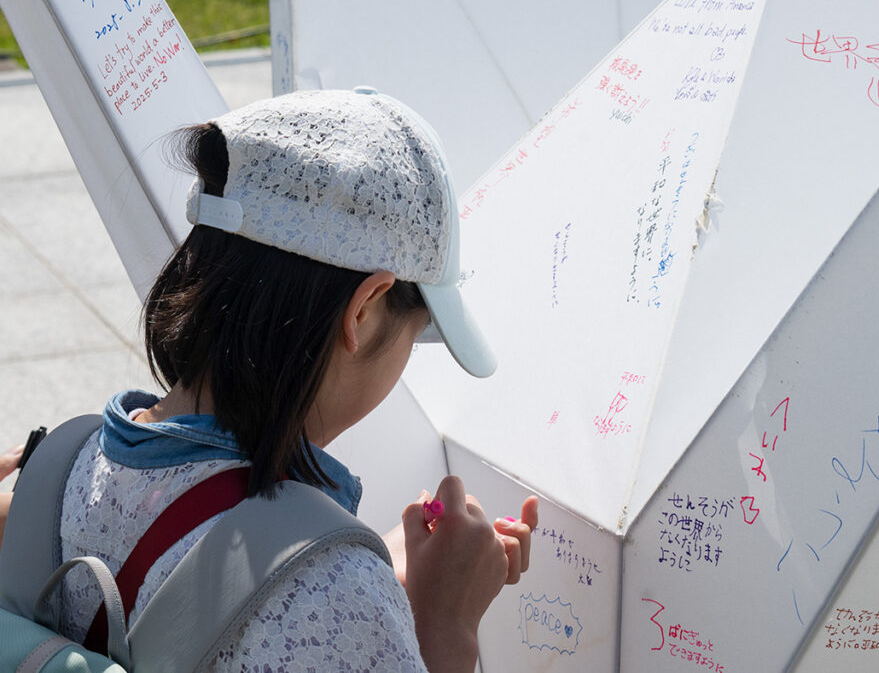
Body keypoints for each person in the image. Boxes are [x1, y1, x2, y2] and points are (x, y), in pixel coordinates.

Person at [26, 88, 538, 671]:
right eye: (416, 332)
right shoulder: (338, 596)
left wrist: (346, 564)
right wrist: (445, 620)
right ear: (364, 310)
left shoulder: (58, 471)